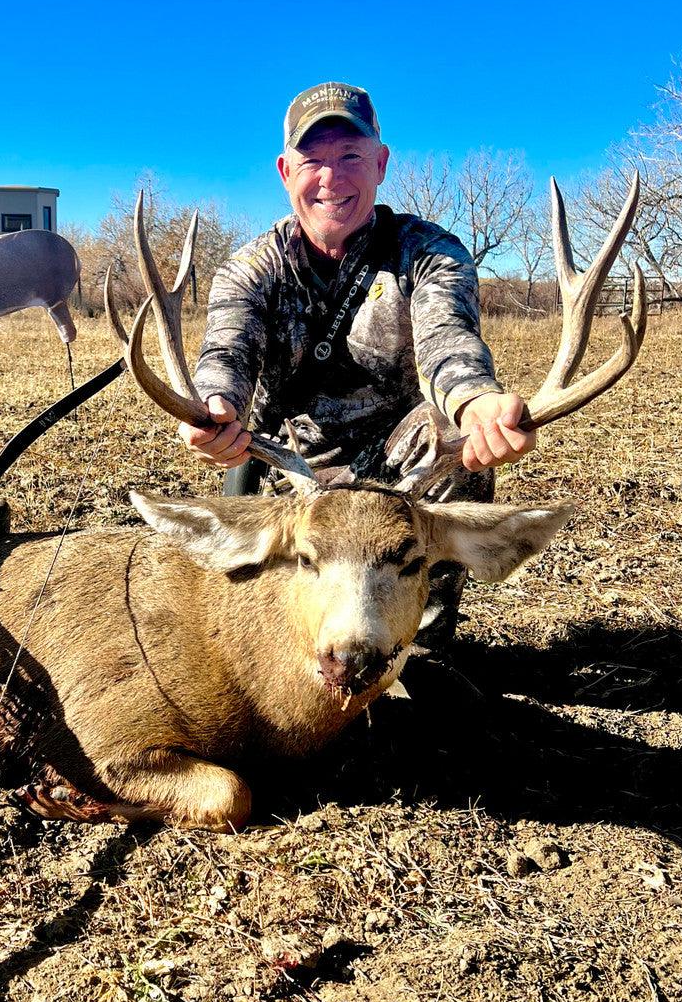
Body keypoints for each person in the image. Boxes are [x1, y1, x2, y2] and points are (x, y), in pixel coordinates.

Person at [180, 81, 536, 642]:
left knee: (460, 441)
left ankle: (421, 639)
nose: (331, 178)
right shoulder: (251, 268)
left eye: (350, 156)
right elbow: (227, 351)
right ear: (284, 172)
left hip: (404, 475)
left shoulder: (428, 254)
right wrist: (214, 409)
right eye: (312, 160)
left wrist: (474, 402)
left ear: (380, 163)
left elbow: (448, 340)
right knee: (248, 627)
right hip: (289, 467)